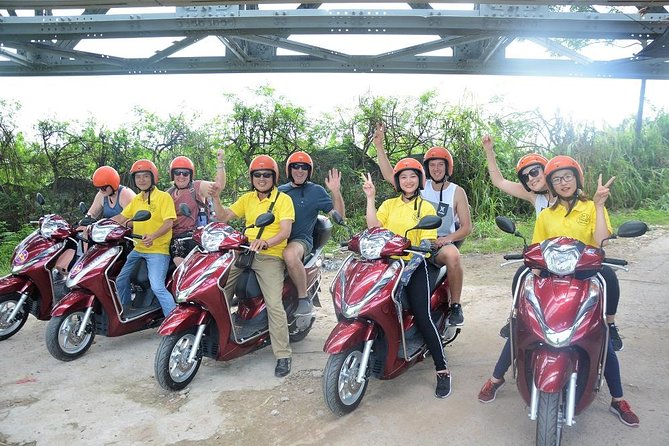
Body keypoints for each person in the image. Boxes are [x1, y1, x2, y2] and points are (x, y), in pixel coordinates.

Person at [477, 155, 639, 427]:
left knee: (600, 335)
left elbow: (600, 244)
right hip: (552, 277)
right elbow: (538, 249)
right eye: (557, 179)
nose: (563, 183)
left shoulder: (590, 207)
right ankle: (496, 378)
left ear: (577, 179)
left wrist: (599, 206)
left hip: (585, 276)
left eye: (568, 177)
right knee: (524, 325)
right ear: (550, 184)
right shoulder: (546, 215)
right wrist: (534, 268)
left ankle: (618, 398)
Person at [482, 135, 623, 351]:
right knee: (523, 275)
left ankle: (610, 324)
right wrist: (488, 150)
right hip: (550, 260)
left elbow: (600, 241)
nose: (531, 178)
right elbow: (499, 182)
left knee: (609, 276)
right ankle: (517, 317)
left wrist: (598, 206)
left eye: (535, 172)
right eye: (526, 176)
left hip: (581, 262)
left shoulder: (585, 204)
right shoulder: (539, 203)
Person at [362, 158, 452, 399]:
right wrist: (370, 198)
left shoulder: (426, 208)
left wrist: (414, 248)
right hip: (386, 265)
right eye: (403, 177)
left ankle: (442, 370)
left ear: (419, 180)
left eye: (413, 176)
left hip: (414, 266)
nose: (408, 181)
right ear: (397, 182)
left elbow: (428, 240)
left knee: (423, 316)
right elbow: (374, 228)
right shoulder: (389, 205)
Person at [374, 123, 471, 326]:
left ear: (447, 167)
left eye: (440, 165)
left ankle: (455, 305)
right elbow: (389, 174)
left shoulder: (457, 191)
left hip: (441, 243)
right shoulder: (418, 185)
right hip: (412, 244)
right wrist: (379, 146)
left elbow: (466, 227)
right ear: (426, 168)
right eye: (432, 165)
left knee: (453, 255)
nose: (436, 169)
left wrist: (446, 239)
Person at [215, 155, 295, 378]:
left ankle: (283, 355)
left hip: (269, 255)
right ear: (252, 178)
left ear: (274, 177)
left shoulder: (283, 200)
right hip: (244, 251)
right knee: (218, 289)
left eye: (266, 175)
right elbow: (223, 217)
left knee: (274, 304)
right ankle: (220, 335)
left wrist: (266, 242)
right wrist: (216, 198)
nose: (262, 178)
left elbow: (285, 231)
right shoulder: (248, 198)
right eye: (257, 175)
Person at [278, 151, 345, 316]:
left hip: (301, 240)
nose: (300, 170)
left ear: (309, 171)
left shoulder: (316, 191)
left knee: (290, 255)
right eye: (296, 166)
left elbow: (338, 214)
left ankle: (303, 298)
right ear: (289, 170)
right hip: (277, 238)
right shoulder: (279, 191)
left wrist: (335, 192)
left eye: (304, 167)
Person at [112, 159, 177, 317]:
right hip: (138, 248)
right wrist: (98, 225)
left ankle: (174, 321)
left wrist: (153, 236)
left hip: (157, 250)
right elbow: (122, 217)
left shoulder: (163, 197)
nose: (141, 180)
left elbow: (169, 222)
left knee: (157, 287)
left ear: (153, 178)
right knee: (120, 279)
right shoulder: (137, 199)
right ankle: (126, 309)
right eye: (138, 177)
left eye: (145, 176)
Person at [55, 166, 136, 274]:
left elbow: (132, 219)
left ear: (113, 184)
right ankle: (75, 266)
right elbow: (92, 213)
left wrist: (106, 224)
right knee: (80, 233)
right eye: (98, 188)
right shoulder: (102, 195)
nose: (101, 190)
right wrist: (85, 222)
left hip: (124, 237)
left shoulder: (126, 194)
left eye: (103, 188)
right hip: (105, 234)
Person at [167, 151, 226, 266]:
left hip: (194, 235)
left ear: (190, 175)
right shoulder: (169, 193)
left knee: (180, 262)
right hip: (173, 237)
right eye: (177, 172)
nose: (181, 176)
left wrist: (220, 162)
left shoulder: (196, 187)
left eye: (185, 173)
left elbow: (219, 186)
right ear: (172, 174)